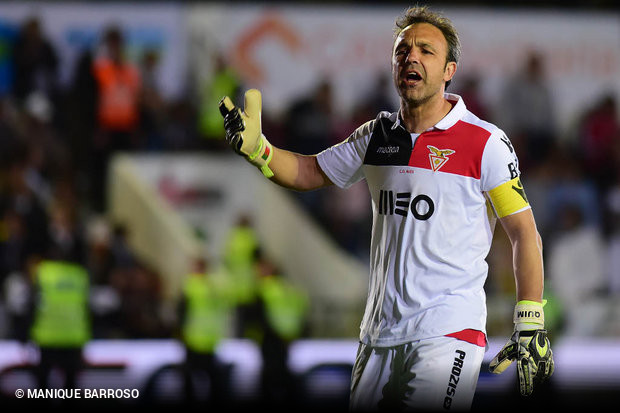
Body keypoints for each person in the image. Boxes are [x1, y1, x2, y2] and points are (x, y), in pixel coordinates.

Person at [219, 6, 554, 411]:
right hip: (378, 335)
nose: (411, 57)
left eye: (426, 51)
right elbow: (308, 171)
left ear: (449, 70)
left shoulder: (486, 143)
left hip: (448, 332)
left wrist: (530, 320)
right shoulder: (376, 135)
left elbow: (523, 231)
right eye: (402, 50)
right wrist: (260, 150)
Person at [178, 256, 232, 407]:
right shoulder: (218, 287)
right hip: (211, 339)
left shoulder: (191, 285)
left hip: (194, 337)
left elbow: (182, 311)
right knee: (212, 378)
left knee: (189, 378)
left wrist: (179, 331)